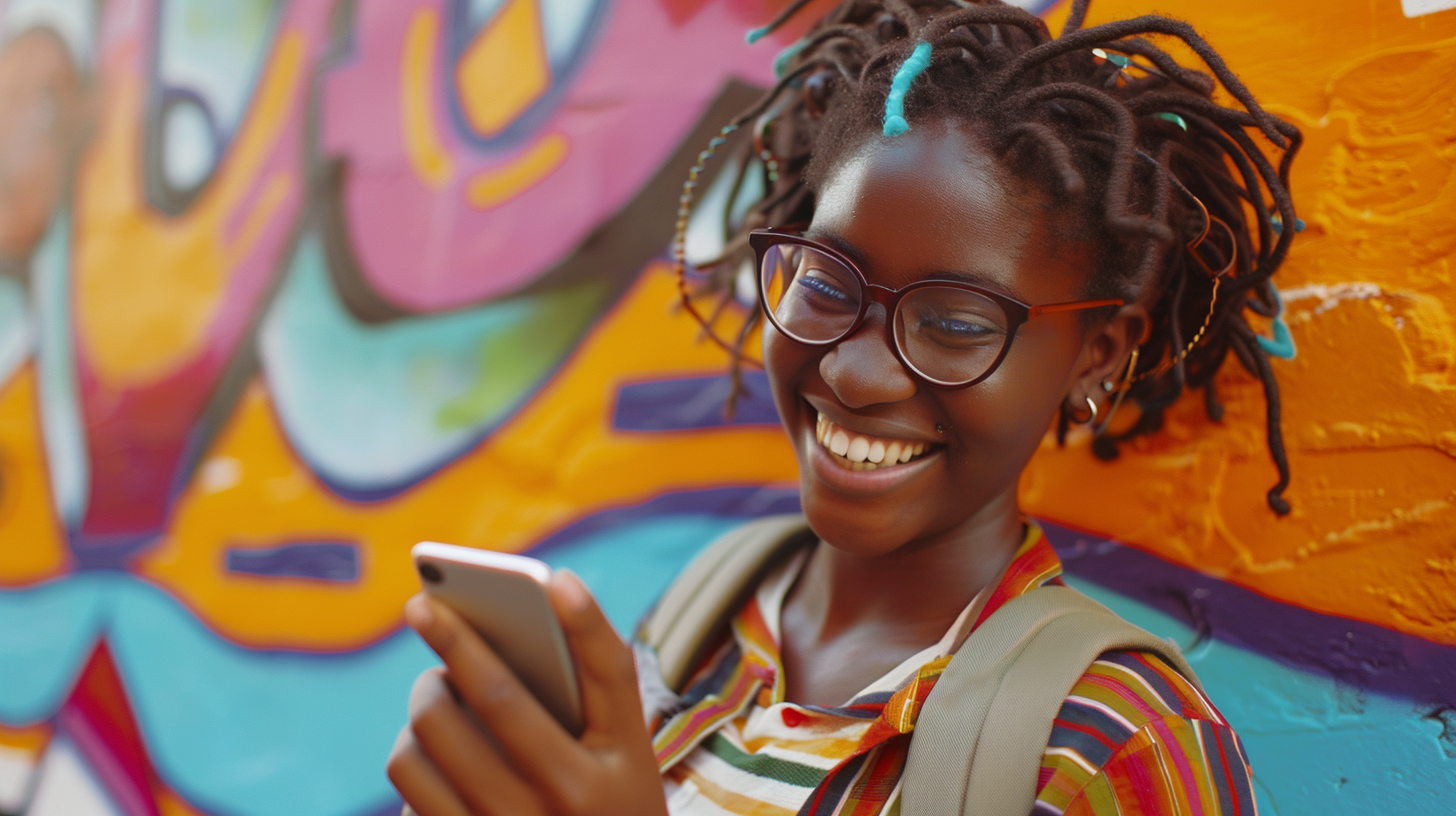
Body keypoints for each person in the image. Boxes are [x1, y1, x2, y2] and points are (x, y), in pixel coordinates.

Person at [385, 0, 1301, 813]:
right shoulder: (706, 622)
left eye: (952, 321)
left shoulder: (1105, 750)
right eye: (827, 281)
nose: (858, 374)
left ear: (1094, 357)